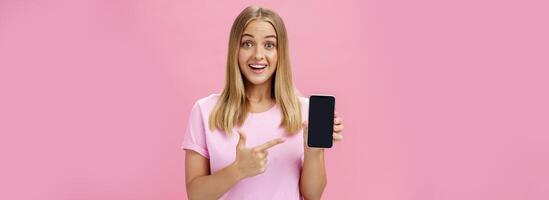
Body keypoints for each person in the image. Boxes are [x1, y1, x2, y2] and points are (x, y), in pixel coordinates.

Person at [181, 6, 344, 200]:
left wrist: (314, 151)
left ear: (280, 52)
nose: (258, 55)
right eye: (248, 44)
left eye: (269, 45)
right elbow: (195, 196)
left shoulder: (305, 112)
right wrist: (237, 170)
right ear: (235, 49)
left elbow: (312, 195)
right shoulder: (205, 111)